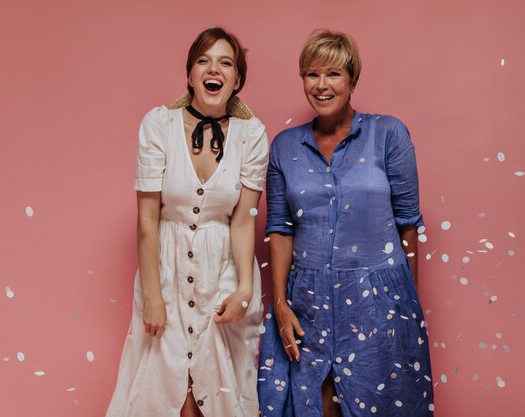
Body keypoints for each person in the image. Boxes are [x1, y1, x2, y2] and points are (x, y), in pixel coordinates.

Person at [257, 30, 434, 417]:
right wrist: (282, 304)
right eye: (312, 74)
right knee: (315, 405)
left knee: (383, 405)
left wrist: (405, 307)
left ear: (353, 81)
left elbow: (408, 224)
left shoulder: (388, 134)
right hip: (307, 300)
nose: (321, 85)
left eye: (333, 74)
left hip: (380, 299)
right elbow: (280, 228)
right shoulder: (284, 147)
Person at [106, 27, 268, 417]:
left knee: (212, 395)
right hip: (166, 270)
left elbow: (244, 221)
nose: (214, 69)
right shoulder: (159, 125)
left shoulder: (252, 135)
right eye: (204, 61)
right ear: (191, 73)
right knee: (163, 392)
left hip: (224, 270)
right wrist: (153, 296)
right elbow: (146, 218)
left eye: (225, 63)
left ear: (237, 79)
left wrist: (245, 289)